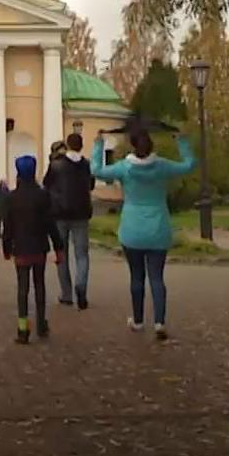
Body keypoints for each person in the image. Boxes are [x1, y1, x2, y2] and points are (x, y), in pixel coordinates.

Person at [92, 124, 195, 340]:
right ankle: (159, 322)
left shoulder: (124, 168)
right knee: (157, 278)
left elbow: (97, 171)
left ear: (132, 145)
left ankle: (138, 321)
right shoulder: (162, 166)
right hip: (158, 228)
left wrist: (98, 143)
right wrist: (182, 142)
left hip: (132, 229)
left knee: (136, 277)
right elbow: (189, 165)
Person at [1, 155, 56, 343]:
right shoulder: (43, 195)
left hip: (21, 250)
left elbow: (8, 227)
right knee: (39, 286)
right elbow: (51, 224)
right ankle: (41, 324)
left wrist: (6, 248)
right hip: (39, 249)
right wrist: (59, 247)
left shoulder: (12, 198)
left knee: (22, 289)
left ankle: (22, 329)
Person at [46, 133, 97, 309]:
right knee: (82, 254)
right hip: (81, 215)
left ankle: (66, 294)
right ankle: (81, 285)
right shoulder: (86, 165)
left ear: (67, 145)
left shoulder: (56, 165)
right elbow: (90, 185)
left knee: (62, 254)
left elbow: (47, 185)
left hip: (60, 215)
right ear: (81, 146)